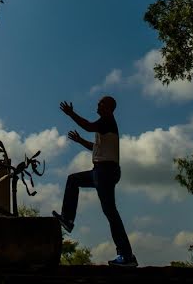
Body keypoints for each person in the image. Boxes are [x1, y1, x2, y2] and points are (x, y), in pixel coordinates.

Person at [52, 96, 138, 267]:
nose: (98, 105)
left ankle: (127, 256)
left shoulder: (107, 121)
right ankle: (67, 220)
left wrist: (71, 114)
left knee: (111, 212)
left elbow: (88, 126)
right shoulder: (105, 127)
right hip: (99, 172)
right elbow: (95, 148)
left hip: (105, 172)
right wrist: (79, 141)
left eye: (101, 103)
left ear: (109, 108)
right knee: (73, 180)